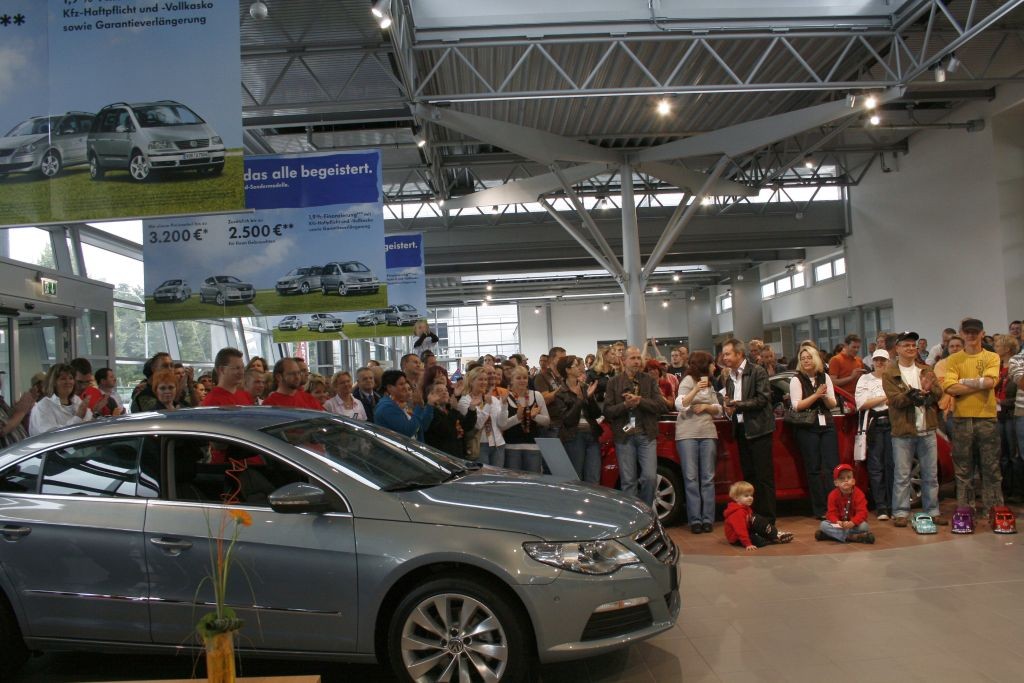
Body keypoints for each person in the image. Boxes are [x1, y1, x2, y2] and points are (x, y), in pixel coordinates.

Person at [883, 331, 946, 527]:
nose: (911, 348)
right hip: (903, 431)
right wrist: (914, 394)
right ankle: (900, 512)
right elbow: (895, 400)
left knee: (931, 475)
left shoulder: (926, 369)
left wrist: (929, 390)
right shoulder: (889, 373)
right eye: (906, 345)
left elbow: (938, 394)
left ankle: (933, 510)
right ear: (897, 349)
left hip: (927, 428)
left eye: (913, 345)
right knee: (902, 475)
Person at [941, 317, 1002, 515]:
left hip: (987, 418)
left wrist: (963, 383)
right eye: (967, 332)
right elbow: (949, 387)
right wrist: (979, 383)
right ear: (962, 333)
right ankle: (966, 510)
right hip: (961, 419)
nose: (971, 335)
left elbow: (990, 382)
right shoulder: (954, 359)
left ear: (982, 333)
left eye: (975, 332)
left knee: (991, 468)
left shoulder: (992, 357)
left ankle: (994, 509)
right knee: (963, 469)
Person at [720, 338, 777, 522]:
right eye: (723, 354)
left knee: (764, 477)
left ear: (739, 354)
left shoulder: (757, 371)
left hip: (759, 430)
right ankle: (753, 517)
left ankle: (767, 519)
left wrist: (738, 405)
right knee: (749, 476)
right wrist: (729, 410)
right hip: (741, 430)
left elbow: (763, 399)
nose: (724, 357)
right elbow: (732, 405)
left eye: (728, 354)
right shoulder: (729, 377)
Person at [604, 346, 664, 506]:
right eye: (633, 358)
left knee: (650, 477)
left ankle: (645, 511)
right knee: (628, 481)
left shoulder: (649, 380)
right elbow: (608, 411)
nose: (637, 361)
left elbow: (660, 405)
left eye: (638, 358)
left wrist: (640, 401)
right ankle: (632, 515)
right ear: (623, 360)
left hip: (646, 435)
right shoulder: (613, 382)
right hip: (624, 436)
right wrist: (625, 405)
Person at [674, 350, 723, 534]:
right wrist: (695, 389)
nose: (714, 367)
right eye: (711, 363)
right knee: (691, 478)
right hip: (687, 434)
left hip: (708, 432)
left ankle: (708, 519)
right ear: (703, 364)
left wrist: (706, 406)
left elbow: (718, 409)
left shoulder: (710, 383)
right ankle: (695, 519)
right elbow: (680, 404)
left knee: (708, 477)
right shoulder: (687, 381)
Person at [790, 345, 839, 519]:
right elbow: (797, 406)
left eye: (809, 357)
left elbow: (833, 403)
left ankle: (834, 507)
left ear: (815, 359)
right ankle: (820, 509)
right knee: (814, 469)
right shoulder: (796, 379)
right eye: (802, 358)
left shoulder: (824, 377)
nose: (806, 361)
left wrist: (824, 397)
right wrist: (816, 395)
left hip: (826, 425)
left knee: (831, 467)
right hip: (807, 427)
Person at [855, 348, 894, 520]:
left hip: (892, 424)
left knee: (892, 466)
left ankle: (893, 505)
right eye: (877, 360)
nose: (879, 363)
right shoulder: (865, 379)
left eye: (883, 360)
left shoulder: (893, 378)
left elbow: (898, 399)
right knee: (876, 467)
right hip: (874, 426)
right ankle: (881, 506)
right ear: (872, 362)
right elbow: (862, 403)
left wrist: (876, 400)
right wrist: (885, 397)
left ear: (888, 362)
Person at [552, 356, 602, 483]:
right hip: (574, 436)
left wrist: (590, 398)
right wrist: (580, 400)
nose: (580, 368)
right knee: (576, 477)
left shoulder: (585, 387)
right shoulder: (561, 393)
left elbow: (596, 414)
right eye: (576, 365)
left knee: (593, 476)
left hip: (591, 434)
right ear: (567, 370)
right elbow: (568, 420)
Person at [501, 366, 550, 473]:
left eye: (525, 378)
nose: (522, 380)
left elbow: (547, 421)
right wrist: (518, 418)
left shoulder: (536, 395)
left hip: (533, 447)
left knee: (534, 480)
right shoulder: (506, 397)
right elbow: (502, 425)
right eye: (518, 378)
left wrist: (533, 416)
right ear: (512, 380)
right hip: (511, 447)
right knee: (514, 481)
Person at [458, 366, 507, 466]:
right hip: (479, 445)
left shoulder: (493, 399)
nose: (484, 382)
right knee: (484, 475)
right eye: (480, 379)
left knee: (498, 475)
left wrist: (504, 406)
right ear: (471, 382)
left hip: (498, 444)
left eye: (485, 379)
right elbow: (478, 424)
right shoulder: (465, 401)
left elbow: (502, 424)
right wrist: (488, 405)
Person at [723, 481, 794, 550]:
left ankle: (775, 534)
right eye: (746, 496)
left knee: (757, 520)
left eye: (751, 495)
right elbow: (740, 530)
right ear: (736, 498)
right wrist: (747, 544)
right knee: (757, 540)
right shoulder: (737, 513)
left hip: (747, 531)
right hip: (736, 538)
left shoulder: (746, 508)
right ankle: (774, 539)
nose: (750, 498)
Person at [815, 464, 874, 543]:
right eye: (841, 478)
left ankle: (831, 535)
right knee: (823, 524)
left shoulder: (859, 494)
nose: (846, 480)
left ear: (853, 481)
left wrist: (853, 522)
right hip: (840, 525)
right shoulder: (832, 495)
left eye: (848, 477)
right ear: (836, 483)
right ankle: (851, 537)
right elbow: (831, 513)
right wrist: (837, 522)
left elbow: (862, 512)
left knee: (864, 526)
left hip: (853, 525)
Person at [29, 364, 93, 436]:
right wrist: (78, 418)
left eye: (71, 378)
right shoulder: (43, 406)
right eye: (63, 379)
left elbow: (88, 420)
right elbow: (50, 435)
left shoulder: (76, 400)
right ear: (53, 382)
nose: (68, 382)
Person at [994, 335, 1021, 502]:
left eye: (998, 345)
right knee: (1002, 455)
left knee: (1014, 455)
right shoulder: (996, 368)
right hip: (998, 415)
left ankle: (1017, 491)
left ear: (1007, 348)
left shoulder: (1016, 367)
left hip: (1011, 415)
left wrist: (1001, 402)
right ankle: (1005, 489)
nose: (995, 348)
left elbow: (1019, 395)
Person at [374, 369, 435, 442]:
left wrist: (427, 405)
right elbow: (408, 432)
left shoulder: (402, 404)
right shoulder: (386, 408)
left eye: (405, 383)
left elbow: (422, 426)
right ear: (390, 387)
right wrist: (418, 406)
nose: (405, 386)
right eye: (401, 384)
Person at [933, 335, 965, 436]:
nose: (955, 348)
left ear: (964, 347)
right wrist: (963, 383)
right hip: (949, 410)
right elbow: (945, 386)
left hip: (969, 407)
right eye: (952, 346)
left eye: (958, 346)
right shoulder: (941, 365)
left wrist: (956, 383)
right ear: (948, 348)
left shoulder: (970, 363)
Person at [533, 346, 566, 437]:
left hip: (565, 422)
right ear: (551, 359)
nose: (564, 361)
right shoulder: (542, 376)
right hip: (552, 424)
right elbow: (545, 399)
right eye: (561, 358)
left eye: (565, 358)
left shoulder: (563, 376)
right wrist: (561, 388)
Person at [0, 371, 33, 448]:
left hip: (22, 451)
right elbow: (2, 430)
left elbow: (10, 420)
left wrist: (23, 409)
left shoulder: (1, 402)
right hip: (9, 455)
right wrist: (21, 411)